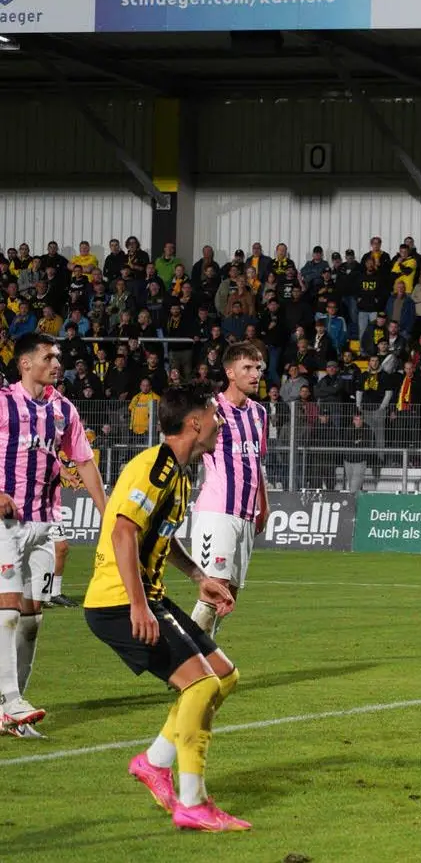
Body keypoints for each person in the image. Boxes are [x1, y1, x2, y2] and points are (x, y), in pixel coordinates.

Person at [83, 384, 251, 831]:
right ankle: (193, 802)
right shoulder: (155, 466)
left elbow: (159, 535)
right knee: (198, 686)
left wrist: (200, 578)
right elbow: (122, 533)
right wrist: (138, 606)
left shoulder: (179, 474)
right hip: (118, 602)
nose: (219, 423)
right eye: (214, 416)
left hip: (147, 595)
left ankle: (155, 762)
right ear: (194, 423)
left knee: (225, 677)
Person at [0, 333, 108, 735]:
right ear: (25, 363)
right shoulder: (4, 402)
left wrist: (108, 513)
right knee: (7, 609)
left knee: (31, 620)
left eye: (58, 356)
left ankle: (13, 714)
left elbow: (84, 462)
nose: (57, 362)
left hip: (46, 524)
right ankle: (10, 699)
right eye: (48, 356)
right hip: (7, 524)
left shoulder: (63, 409)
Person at [189, 343, 269, 637]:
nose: (255, 374)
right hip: (217, 511)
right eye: (248, 368)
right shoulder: (212, 409)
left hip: (247, 514)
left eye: (258, 368)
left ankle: (203, 651)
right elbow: (188, 451)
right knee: (214, 591)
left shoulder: (259, 413)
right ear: (230, 372)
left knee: (230, 595)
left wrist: (265, 505)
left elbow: (257, 462)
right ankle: (191, 660)